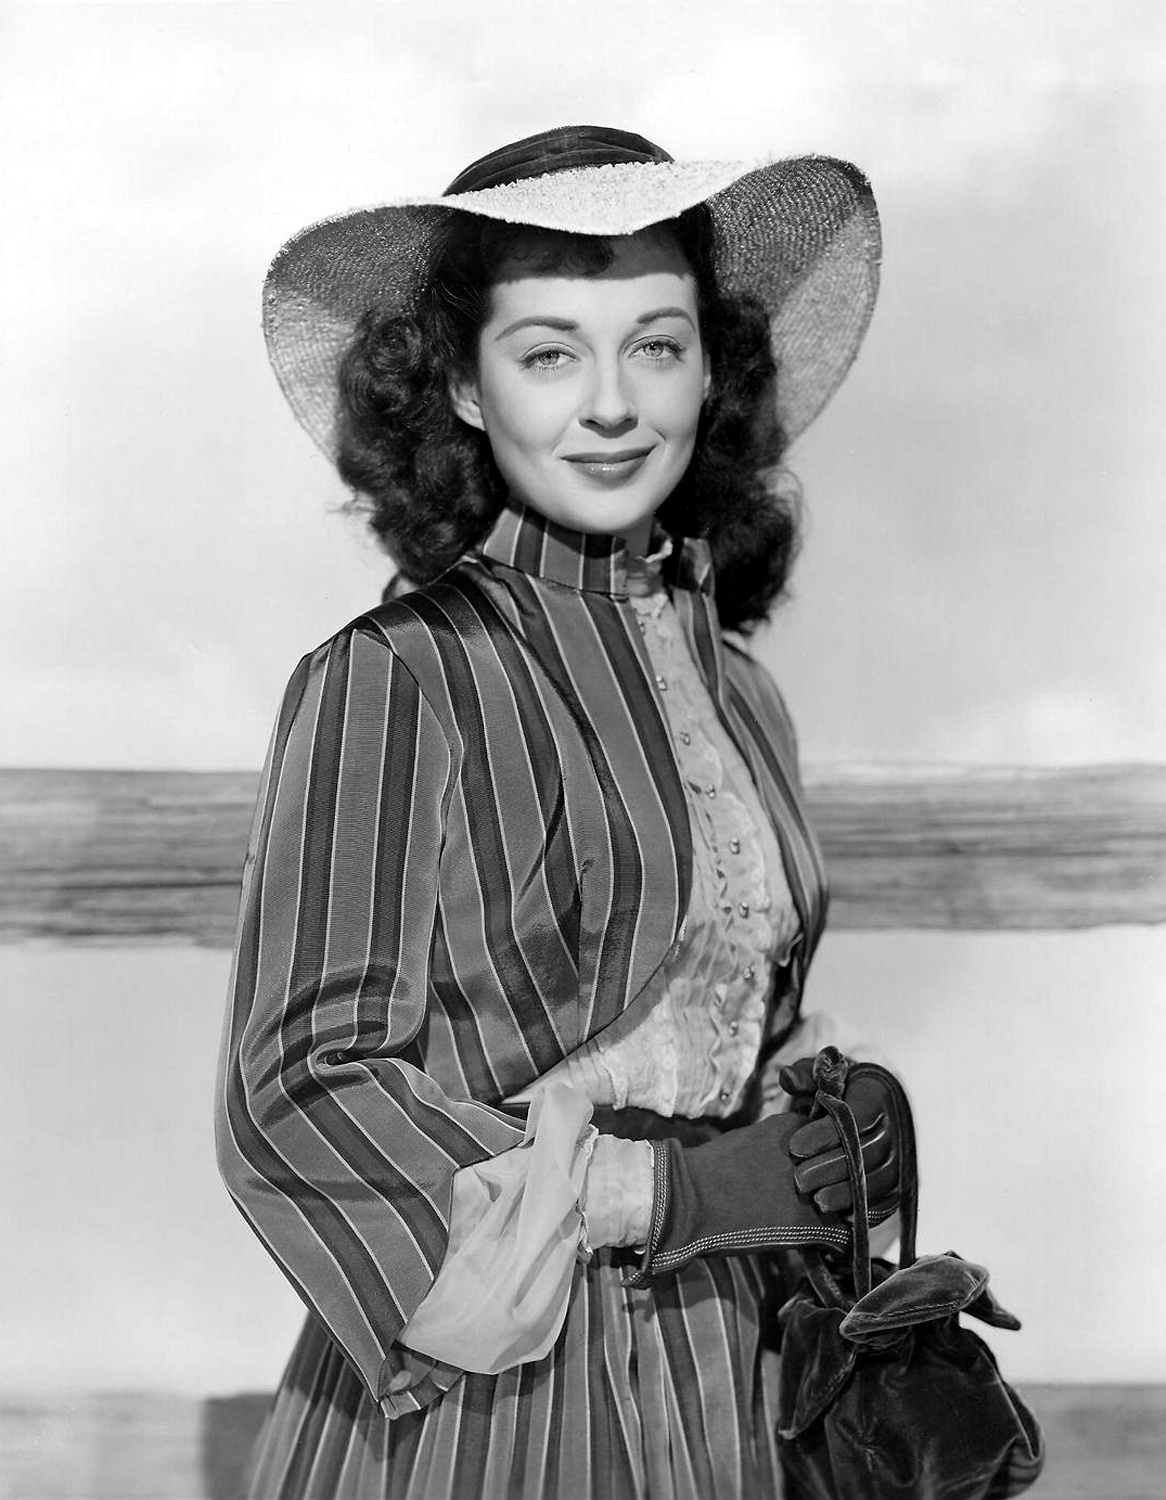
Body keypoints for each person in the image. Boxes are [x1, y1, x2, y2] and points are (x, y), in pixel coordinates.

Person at [217, 125, 898, 1500]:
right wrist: (671, 1195)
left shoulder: (740, 691)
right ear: (462, 388)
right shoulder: (398, 675)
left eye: (656, 345)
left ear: (710, 370)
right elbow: (299, 1091)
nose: (611, 405)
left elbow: (716, 1015)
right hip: (494, 1375)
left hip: (729, 1362)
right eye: (547, 355)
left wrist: (825, 1117)